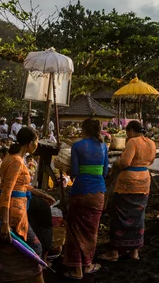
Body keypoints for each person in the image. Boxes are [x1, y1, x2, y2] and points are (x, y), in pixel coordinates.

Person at [0, 127, 55, 283]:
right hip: (14, 211)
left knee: (1, 248)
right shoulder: (16, 161)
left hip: (16, 208)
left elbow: (21, 185)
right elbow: (7, 192)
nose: (37, 144)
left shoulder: (12, 158)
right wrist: (5, 221)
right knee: (34, 248)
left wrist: (41, 194)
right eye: (37, 140)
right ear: (31, 143)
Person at [101, 120, 155, 262]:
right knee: (138, 216)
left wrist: (118, 162)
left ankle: (114, 252)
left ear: (131, 131)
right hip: (144, 181)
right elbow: (151, 161)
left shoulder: (133, 142)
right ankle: (134, 251)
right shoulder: (151, 142)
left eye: (127, 133)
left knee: (119, 215)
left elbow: (125, 163)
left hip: (128, 182)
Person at [63, 118, 109, 279]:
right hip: (97, 193)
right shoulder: (104, 146)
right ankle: (88, 264)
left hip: (80, 190)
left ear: (84, 130)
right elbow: (104, 173)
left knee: (75, 229)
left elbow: (74, 172)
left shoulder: (77, 146)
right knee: (91, 231)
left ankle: (76, 270)